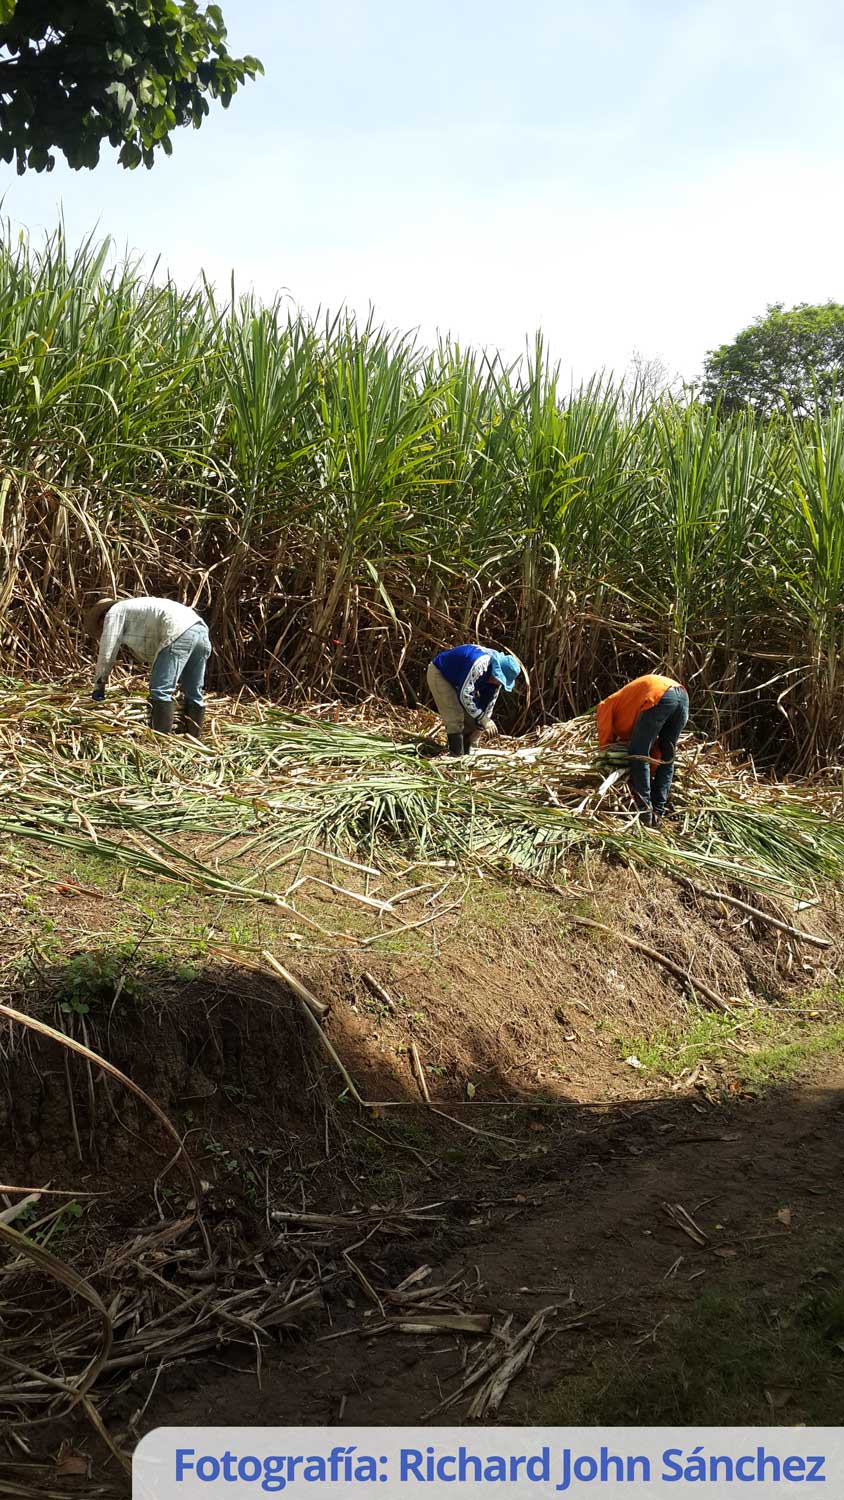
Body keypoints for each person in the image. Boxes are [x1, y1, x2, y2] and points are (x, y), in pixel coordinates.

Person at [84, 595, 212, 737]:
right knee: (194, 691)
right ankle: (195, 738)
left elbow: (106, 654)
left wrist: (99, 685)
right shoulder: (138, 608)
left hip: (179, 632)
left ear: (103, 617)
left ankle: (161, 740)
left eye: (101, 626)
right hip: (201, 631)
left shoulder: (114, 612)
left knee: (161, 691)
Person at [596, 672, 689, 827]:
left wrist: (604, 752)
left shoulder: (607, 705)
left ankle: (645, 812)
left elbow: (606, 733)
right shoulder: (630, 708)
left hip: (659, 694)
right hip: (682, 697)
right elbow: (655, 752)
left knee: (638, 753)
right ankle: (658, 812)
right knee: (667, 757)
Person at [427, 644, 522, 756]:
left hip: (459, 680)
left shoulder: (496, 681)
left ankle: (466, 752)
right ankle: (456, 757)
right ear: (496, 668)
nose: (498, 683)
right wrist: (482, 718)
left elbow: (488, 704)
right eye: (499, 678)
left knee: (471, 719)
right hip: (440, 673)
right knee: (455, 716)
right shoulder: (479, 665)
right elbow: (464, 694)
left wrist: (480, 727)